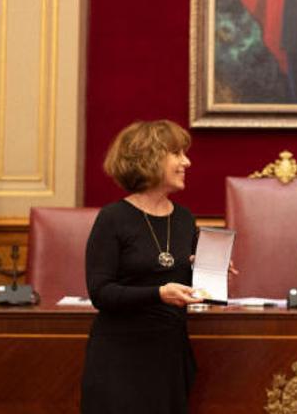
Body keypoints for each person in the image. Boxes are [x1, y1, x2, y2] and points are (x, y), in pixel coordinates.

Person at [81, 120, 202, 414]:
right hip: (120, 359)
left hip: (170, 357)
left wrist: (208, 271)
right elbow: (101, 293)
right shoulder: (112, 219)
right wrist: (158, 293)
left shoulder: (185, 219)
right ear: (150, 158)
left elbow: (186, 285)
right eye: (177, 153)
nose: (186, 161)